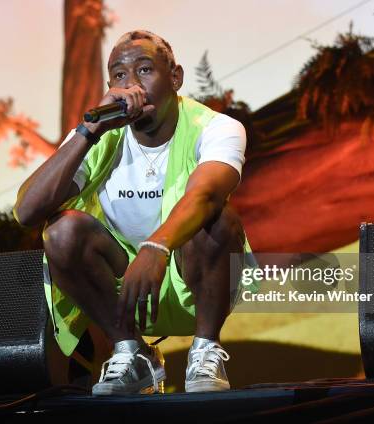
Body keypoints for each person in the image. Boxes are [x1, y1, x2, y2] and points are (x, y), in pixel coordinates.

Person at [14, 29, 256, 396]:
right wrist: (88, 130)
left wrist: (155, 248)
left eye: (144, 70)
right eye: (119, 75)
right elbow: (27, 211)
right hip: (123, 289)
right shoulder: (100, 136)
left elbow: (206, 194)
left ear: (175, 77)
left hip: (193, 277)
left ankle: (206, 349)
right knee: (60, 232)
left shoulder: (216, 127)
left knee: (218, 218)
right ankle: (132, 352)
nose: (132, 87)